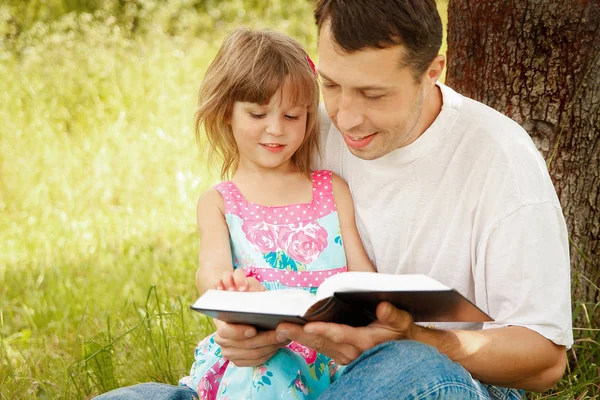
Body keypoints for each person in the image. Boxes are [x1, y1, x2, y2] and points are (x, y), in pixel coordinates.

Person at [97, 0, 573, 399]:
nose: (344, 117)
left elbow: (545, 359)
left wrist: (417, 338)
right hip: (289, 376)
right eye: (330, 85)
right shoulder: (303, 126)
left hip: (434, 380)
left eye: (372, 94)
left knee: (415, 369)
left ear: (432, 72)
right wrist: (241, 335)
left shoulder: (499, 159)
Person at [96, 27, 374, 400]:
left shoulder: (331, 188)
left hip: (330, 356)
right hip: (257, 354)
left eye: (293, 116)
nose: (276, 129)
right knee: (269, 372)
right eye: (258, 113)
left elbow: (363, 276)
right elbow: (210, 271)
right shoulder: (220, 201)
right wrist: (232, 289)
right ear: (226, 111)